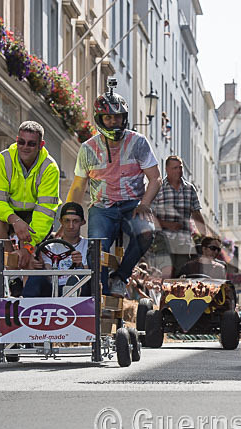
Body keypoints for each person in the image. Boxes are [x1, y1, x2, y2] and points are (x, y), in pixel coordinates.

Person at [66, 85, 161, 297]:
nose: (113, 122)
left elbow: (155, 178)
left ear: (124, 118)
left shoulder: (138, 142)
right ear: (100, 119)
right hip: (102, 207)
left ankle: (121, 277)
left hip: (132, 205)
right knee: (96, 248)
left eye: (117, 117)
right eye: (108, 118)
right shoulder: (87, 148)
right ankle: (101, 294)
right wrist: (69, 214)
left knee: (147, 233)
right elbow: (79, 186)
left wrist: (144, 204)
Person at [0, 121, 61, 268]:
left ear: (41, 145)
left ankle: (26, 286)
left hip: (35, 216)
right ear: (16, 140)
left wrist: (27, 248)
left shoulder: (50, 168)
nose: (25, 147)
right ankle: (11, 271)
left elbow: (45, 212)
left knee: (28, 256)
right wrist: (15, 220)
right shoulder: (2, 160)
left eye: (31, 144)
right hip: (9, 214)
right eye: (21, 142)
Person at [152, 155, 207, 278]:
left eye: (180, 168)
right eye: (175, 168)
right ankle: (163, 295)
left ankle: (172, 296)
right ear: (167, 169)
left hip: (183, 240)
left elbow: (196, 213)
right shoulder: (158, 188)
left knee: (180, 274)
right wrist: (168, 225)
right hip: (163, 239)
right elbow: (150, 217)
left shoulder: (189, 188)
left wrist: (205, 236)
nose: (179, 171)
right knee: (167, 271)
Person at [23, 202, 89, 297]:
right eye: (67, 221)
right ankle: (25, 306)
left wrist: (79, 265)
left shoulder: (88, 245)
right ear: (61, 222)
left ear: (82, 222)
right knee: (36, 276)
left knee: (79, 277)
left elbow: (91, 274)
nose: (71, 226)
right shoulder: (50, 247)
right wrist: (39, 265)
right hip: (53, 288)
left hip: (77, 289)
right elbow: (48, 272)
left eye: (75, 221)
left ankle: (72, 288)